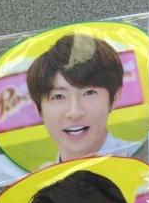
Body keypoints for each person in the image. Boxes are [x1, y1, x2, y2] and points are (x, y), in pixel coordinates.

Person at [27, 34, 137, 163]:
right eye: (58, 96)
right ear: (38, 108)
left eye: (89, 93)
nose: (75, 112)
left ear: (115, 95)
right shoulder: (34, 176)